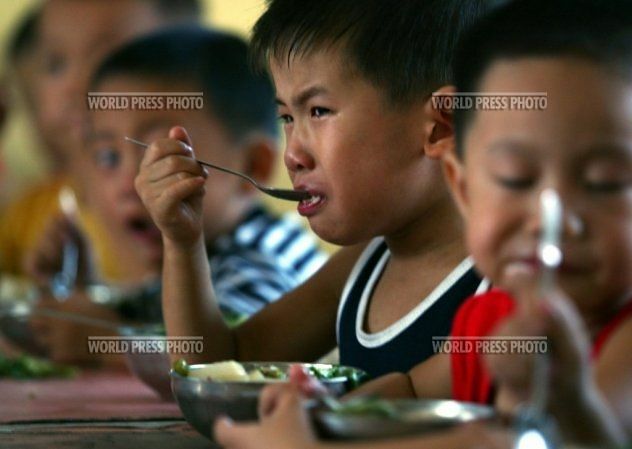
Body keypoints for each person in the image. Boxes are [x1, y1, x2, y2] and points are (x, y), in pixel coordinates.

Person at [212, 0, 632, 447]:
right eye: (516, 179)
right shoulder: (493, 321)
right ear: (466, 185)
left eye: (604, 183)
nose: (553, 218)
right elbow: (410, 392)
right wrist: (323, 413)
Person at [136, 0, 492, 378]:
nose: (292, 156)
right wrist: (183, 242)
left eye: (319, 112)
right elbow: (222, 369)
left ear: (441, 127)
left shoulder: (506, 280)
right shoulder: (367, 264)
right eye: (287, 117)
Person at [82, 26, 326, 321]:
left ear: (252, 165)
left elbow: (223, 354)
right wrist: (83, 287)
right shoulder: (202, 255)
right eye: (108, 157)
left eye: (161, 154)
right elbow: (148, 315)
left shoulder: (260, 263)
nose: (130, 184)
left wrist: (103, 340)